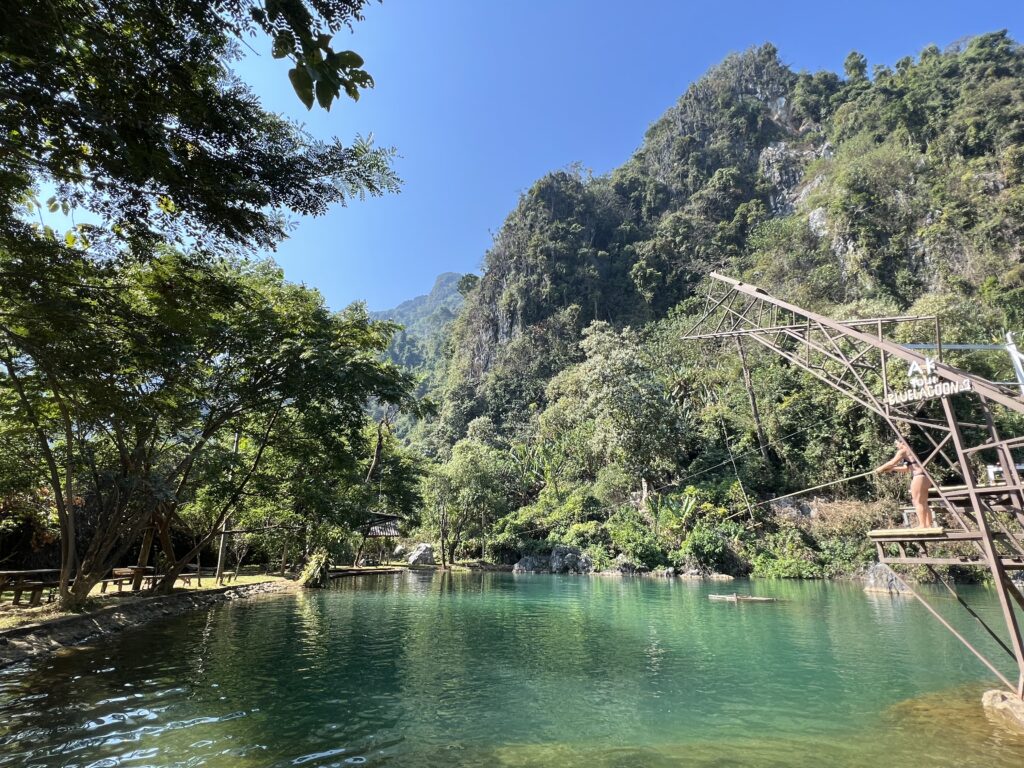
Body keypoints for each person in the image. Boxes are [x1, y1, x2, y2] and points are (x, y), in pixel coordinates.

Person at [876, 438, 935, 529]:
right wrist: (893, 469)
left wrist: (879, 469)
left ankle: (922, 525)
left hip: (919, 477)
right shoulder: (910, 451)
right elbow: (906, 469)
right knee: (923, 502)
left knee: (917, 501)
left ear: (902, 443)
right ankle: (928, 525)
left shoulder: (903, 451)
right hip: (925, 477)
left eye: (897, 443)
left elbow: (892, 462)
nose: (896, 446)